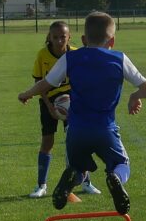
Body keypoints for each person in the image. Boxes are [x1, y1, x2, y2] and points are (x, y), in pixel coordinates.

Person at [18, 12, 146, 215]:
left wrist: (27, 94)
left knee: (78, 168)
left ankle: (72, 175)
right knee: (121, 163)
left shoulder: (70, 57)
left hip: (76, 130)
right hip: (105, 129)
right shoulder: (119, 58)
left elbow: (46, 83)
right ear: (113, 41)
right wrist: (135, 96)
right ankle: (116, 177)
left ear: (83, 40)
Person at [27, 21, 101, 199]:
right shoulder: (43, 55)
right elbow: (39, 83)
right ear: (49, 38)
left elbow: (85, 80)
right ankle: (41, 185)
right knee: (47, 142)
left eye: (63, 37)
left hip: (73, 101)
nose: (59, 41)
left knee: (76, 142)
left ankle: (86, 182)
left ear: (69, 37)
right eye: (55, 37)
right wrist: (50, 107)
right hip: (49, 101)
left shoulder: (76, 54)